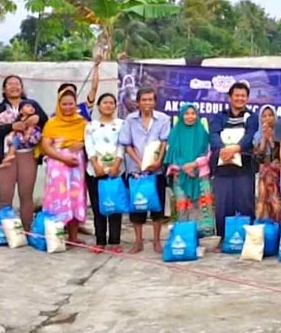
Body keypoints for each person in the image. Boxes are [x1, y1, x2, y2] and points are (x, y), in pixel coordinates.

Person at [0, 75, 48, 230]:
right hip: (5, 154)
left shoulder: (32, 105)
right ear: (4, 89)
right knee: (5, 195)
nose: (14, 87)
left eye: (17, 84)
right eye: (10, 84)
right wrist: (12, 127)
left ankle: (27, 230)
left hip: (28, 154)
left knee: (26, 195)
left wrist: (34, 119)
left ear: (22, 87)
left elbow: (45, 121)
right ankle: (2, 232)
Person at [119, 87, 171, 253]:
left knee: (157, 207)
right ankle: (138, 241)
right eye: (144, 100)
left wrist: (158, 162)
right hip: (136, 169)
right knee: (137, 205)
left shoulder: (163, 119)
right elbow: (126, 144)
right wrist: (140, 162)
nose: (147, 103)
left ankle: (156, 241)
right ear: (138, 102)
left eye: (150, 100)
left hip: (156, 170)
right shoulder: (130, 120)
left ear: (155, 102)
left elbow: (164, 143)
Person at [210, 82, 259, 238]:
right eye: (236, 95)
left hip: (244, 168)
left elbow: (250, 136)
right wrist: (223, 150)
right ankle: (224, 238)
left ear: (247, 98)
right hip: (222, 169)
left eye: (243, 96)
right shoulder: (219, 116)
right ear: (229, 97)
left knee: (245, 203)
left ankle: (246, 238)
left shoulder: (252, 117)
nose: (240, 98)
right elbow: (213, 135)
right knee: (222, 206)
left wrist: (235, 149)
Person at [41, 88, 89, 245]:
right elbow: (46, 147)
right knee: (59, 199)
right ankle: (57, 237)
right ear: (59, 105)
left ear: (76, 105)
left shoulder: (82, 122)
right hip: (57, 167)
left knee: (75, 198)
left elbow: (90, 141)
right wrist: (63, 158)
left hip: (77, 167)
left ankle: (73, 237)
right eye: (64, 104)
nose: (68, 107)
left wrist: (81, 143)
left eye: (71, 104)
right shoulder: (52, 123)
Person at [166, 103, 215, 237]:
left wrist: (194, 164)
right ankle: (185, 235)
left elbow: (208, 153)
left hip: (200, 175)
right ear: (181, 115)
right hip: (180, 176)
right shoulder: (175, 133)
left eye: (193, 113)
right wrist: (183, 167)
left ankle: (204, 234)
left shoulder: (203, 133)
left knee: (203, 205)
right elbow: (171, 155)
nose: (190, 117)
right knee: (183, 206)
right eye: (187, 114)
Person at [84, 93, 124, 252]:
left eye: (111, 103)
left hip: (116, 170)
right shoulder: (90, 126)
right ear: (99, 106)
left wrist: (116, 164)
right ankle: (100, 240)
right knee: (97, 205)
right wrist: (95, 165)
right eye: (105, 102)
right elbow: (89, 146)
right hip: (95, 171)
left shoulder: (122, 124)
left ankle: (115, 241)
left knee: (115, 206)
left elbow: (122, 145)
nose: (108, 105)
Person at [254, 105, 281, 222]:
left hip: (277, 173)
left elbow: (278, 155)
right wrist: (264, 139)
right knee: (262, 201)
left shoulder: (280, 133)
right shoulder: (257, 135)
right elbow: (258, 157)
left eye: (270, 115)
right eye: (264, 116)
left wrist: (271, 139)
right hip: (263, 174)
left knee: (276, 202)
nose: (267, 118)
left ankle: (277, 229)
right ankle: (260, 229)